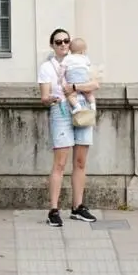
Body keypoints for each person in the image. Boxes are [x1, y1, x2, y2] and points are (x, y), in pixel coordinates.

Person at [38, 28, 100, 227]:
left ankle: (78, 206)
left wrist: (74, 88)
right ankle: (53, 209)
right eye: (58, 42)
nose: (63, 44)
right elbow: (44, 97)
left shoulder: (81, 60)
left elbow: (95, 84)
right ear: (52, 45)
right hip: (61, 111)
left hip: (82, 108)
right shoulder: (48, 67)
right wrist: (50, 98)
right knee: (60, 163)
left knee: (81, 161)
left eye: (66, 40)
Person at [61, 38, 97, 115]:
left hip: (73, 80)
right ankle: (93, 106)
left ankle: (77, 106)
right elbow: (89, 68)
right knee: (89, 94)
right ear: (83, 51)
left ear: (70, 49)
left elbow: (63, 68)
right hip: (84, 80)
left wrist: (60, 77)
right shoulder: (85, 58)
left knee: (71, 96)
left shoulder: (68, 58)